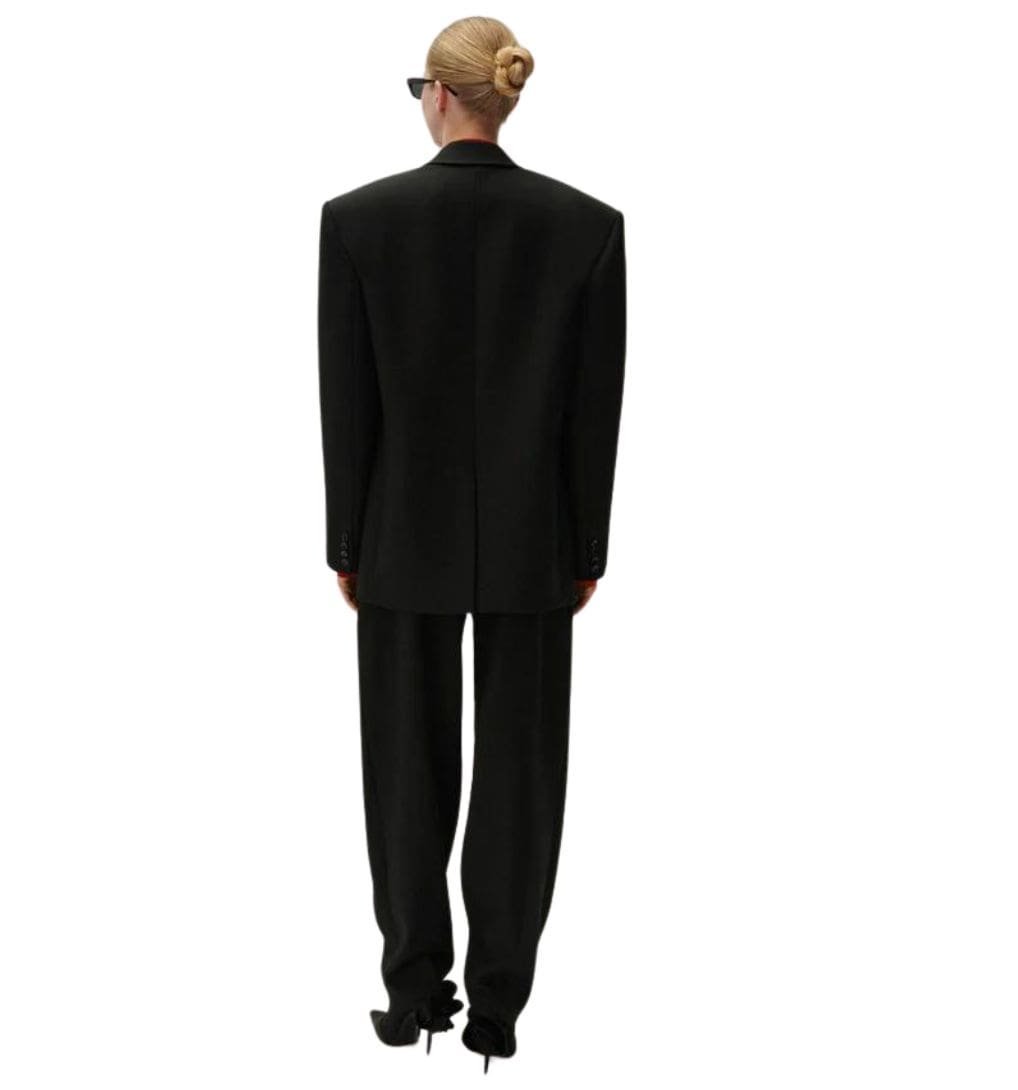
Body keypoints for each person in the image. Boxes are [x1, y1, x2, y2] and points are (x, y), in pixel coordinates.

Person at [316, 16, 627, 1072]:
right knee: (521, 775)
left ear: (440, 96)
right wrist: (587, 547)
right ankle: (497, 1010)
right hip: (538, 537)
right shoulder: (585, 226)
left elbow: (347, 399)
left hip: (400, 532)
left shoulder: (358, 221)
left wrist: (346, 541)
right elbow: (595, 408)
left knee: (404, 768)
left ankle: (413, 997)